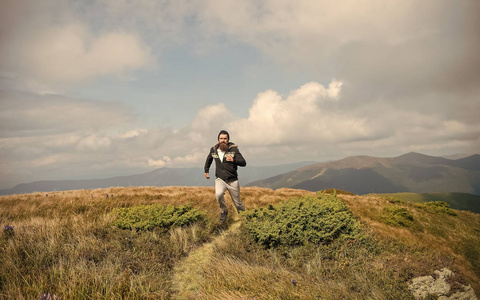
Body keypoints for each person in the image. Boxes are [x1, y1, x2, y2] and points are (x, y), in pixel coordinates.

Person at [204, 130, 246, 222]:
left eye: (225, 139)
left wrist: (233, 160)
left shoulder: (233, 149)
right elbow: (209, 159)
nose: (223, 140)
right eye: (221, 138)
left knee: (238, 203)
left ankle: (245, 218)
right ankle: (224, 211)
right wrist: (206, 170)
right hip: (220, 179)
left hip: (232, 180)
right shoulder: (214, 149)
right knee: (218, 195)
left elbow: (243, 163)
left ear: (228, 140)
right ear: (218, 139)